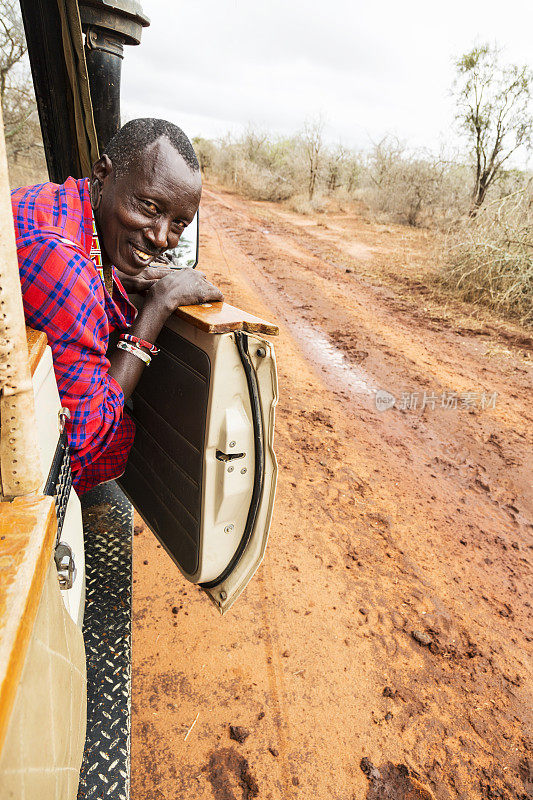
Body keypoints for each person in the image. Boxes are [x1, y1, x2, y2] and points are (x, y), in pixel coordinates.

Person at [12, 118, 222, 494]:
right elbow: (83, 444)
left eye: (178, 224)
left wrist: (115, 278)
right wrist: (159, 304)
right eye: (148, 206)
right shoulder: (63, 264)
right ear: (103, 175)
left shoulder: (55, 204)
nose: (161, 237)